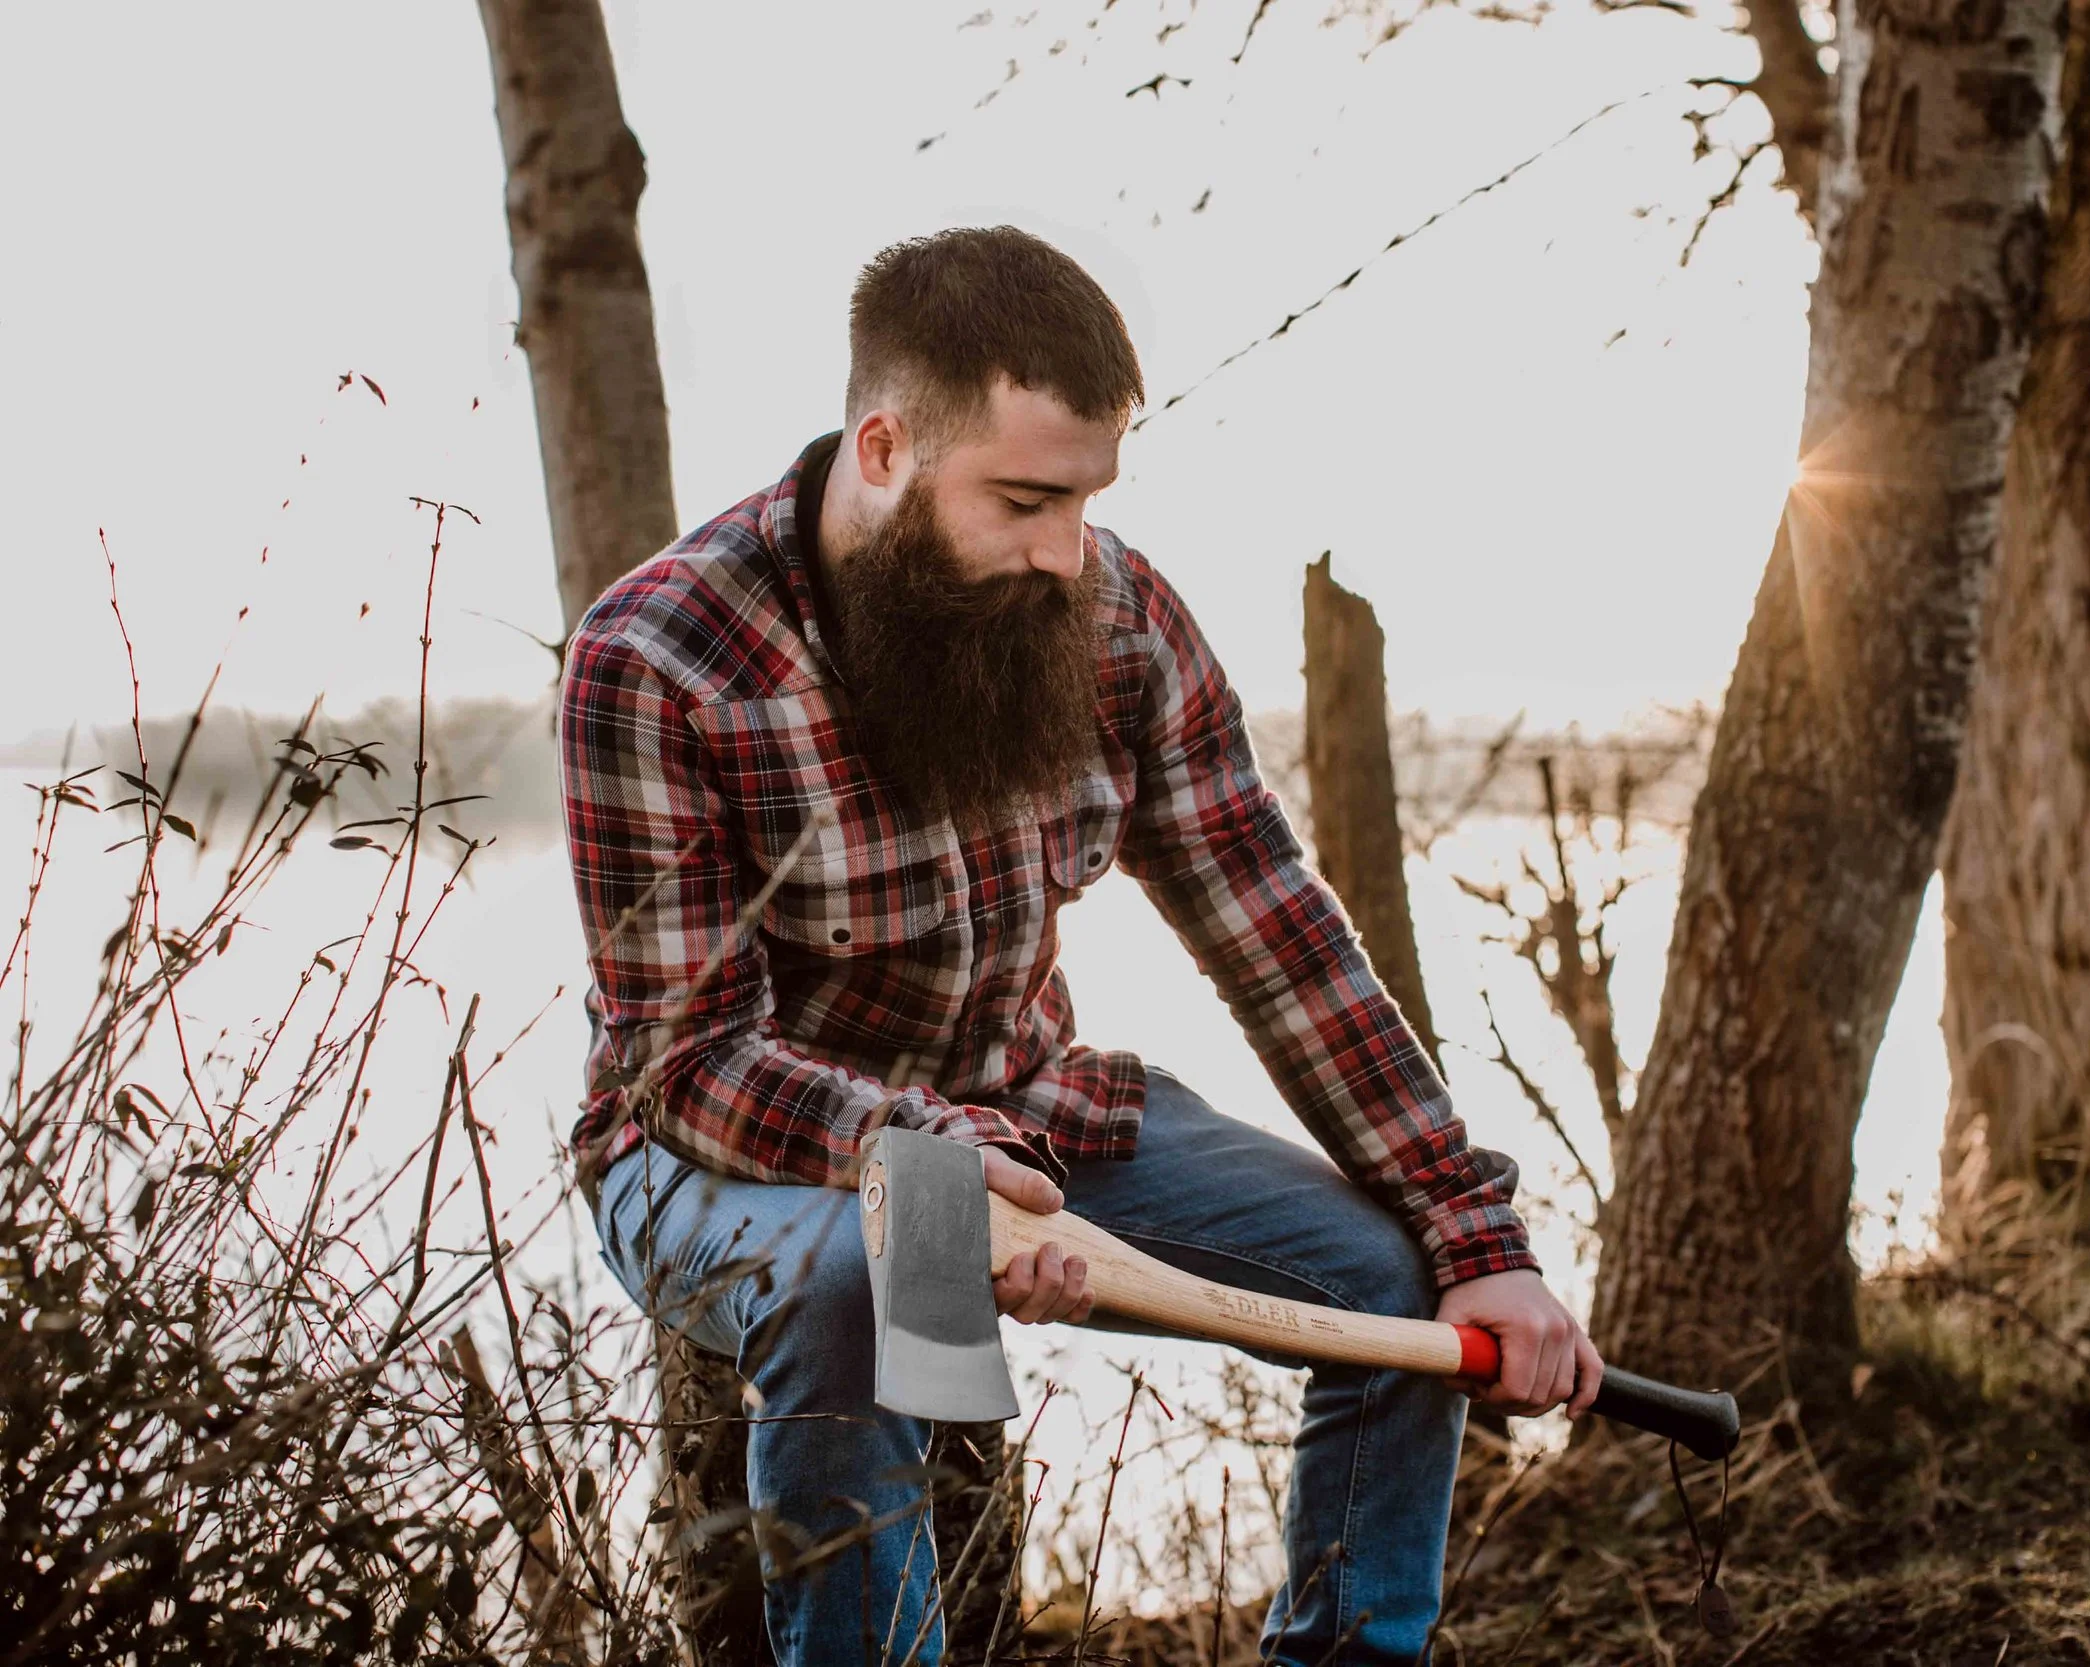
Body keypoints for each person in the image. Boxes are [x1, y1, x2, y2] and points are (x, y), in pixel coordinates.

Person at [558, 224, 1602, 1667]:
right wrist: (929, 1180)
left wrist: (1475, 1236)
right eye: (1027, 499)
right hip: (721, 1148)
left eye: (1088, 500)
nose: (1068, 552)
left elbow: (1279, 933)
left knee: (1386, 1274)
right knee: (859, 1290)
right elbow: (685, 1056)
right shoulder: (662, 655)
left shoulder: (1114, 615)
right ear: (883, 447)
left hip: (1026, 1107)